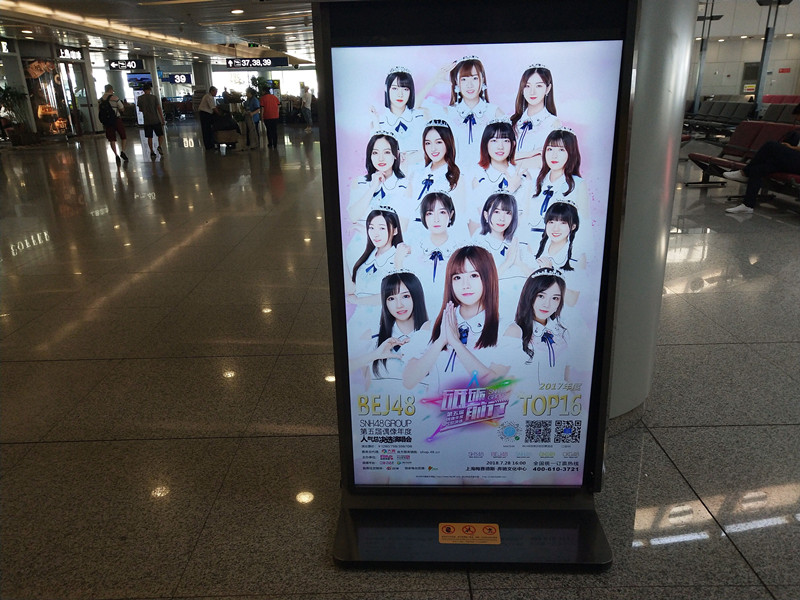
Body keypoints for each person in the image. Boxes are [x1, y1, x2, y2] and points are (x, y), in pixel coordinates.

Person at [403, 245, 511, 393]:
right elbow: (409, 381)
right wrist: (441, 340)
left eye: (474, 276)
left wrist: (456, 343)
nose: (465, 285)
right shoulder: (431, 327)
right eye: (457, 277)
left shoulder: (506, 331)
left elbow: (494, 387)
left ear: (488, 277)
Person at [348, 271, 430, 394]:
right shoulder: (373, 335)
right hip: (380, 404)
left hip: (422, 405)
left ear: (416, 296)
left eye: (405, 296)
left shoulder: (432, 336)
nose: (399, 305)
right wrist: (375, 355)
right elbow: (345, 369)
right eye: (391, 298)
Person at [504, 268, 570, 384]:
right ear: (529, 295)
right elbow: (504, 380)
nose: (547, 304)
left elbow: (567, 378)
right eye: (541, 296)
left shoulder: (562, 332)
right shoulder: (515, 331)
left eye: (555, 298)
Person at [469, 118, 530, 234]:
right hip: (488, 238)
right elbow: (486, 218)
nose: (500, 146)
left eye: (505, 141)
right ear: (485, 144)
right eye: (494, 141)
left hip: (516, 236)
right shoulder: (479, 177)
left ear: (513, 144)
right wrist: (510, 190)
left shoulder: (522, 175)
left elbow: (525, 216)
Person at [723, 132, 800, 214]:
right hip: (792, 161)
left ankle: (745, 172)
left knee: (770, 145)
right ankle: (748, 205)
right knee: (756, 170)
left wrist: (791, 147)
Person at [369, 67, 428, 161]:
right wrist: (376, 125)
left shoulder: (422, 116)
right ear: (386, 89)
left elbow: (430, 150)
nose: (400, 94)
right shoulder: (378, 122)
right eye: (395, 88)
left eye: (405, 89)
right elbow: (376, 156)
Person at [510, 65, 561, 170]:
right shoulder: (512, 122)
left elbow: (545, 161)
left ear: (548, 89)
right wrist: (531, 154)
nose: (532, 92)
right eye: (527, 86)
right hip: (507, 179)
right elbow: (499, 156)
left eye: (539, 86)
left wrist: (511, 160)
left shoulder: (552, 123)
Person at [135, 82, 165, 160]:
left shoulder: (140, 98)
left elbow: (140, 109)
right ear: (150, 89)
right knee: (160, 135)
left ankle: (152, 151)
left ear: (143, 90)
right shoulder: (154, 97)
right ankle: (159, 146)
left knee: (149, 137)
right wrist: (162, 118)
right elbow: (158, 108)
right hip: (155, 119)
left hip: (147, 120)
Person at [100, 84, 128, 163]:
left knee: (112, 139)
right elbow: (122, 108)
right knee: (123, 136)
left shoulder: (101, 100)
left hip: (107, 122)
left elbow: (100, 111)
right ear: (111, 90)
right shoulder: (115, 98)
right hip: (116, 119)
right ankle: (122, 151)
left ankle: (116, 155)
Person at [198, 86, 218, 150]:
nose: (216, 93)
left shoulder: (207, 96)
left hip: (205, 114)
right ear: (212, 91)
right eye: (215, 92)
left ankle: (209, 144)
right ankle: (208, 145)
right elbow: (213, 107)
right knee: (206, 129)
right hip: (205, 114)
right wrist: (220, 114)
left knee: (207, 129)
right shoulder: (209, 97)